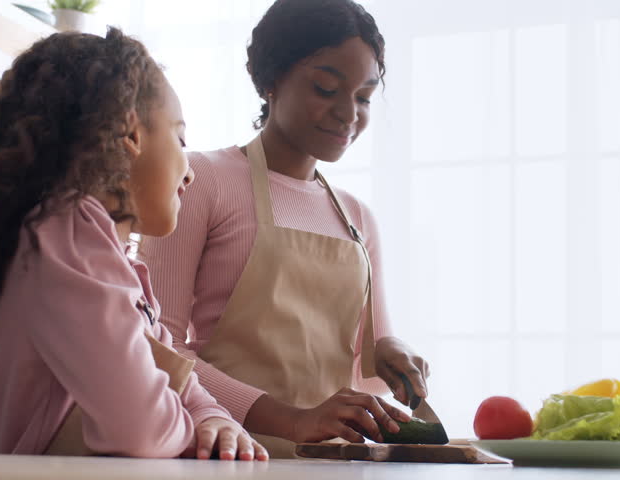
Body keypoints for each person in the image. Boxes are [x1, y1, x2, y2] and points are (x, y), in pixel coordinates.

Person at [0, 28, 267, 461]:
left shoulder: (102, 261)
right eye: (180, 138)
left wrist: (215, 419)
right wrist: (195, 426)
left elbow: (185, 389)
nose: (189, 171)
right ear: (131, 134)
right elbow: (142, 429)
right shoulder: (67, 229)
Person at [141, 0, 429, 457]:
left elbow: (365, 370)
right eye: (326, 87)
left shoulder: (357, 218)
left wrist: (389, 352)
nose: (348, 114)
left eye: (363, 97)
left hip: (332, 460)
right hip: (224, 452)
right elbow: (158, 347)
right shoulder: (200, 180)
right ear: (270, 79)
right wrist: (292, 420)